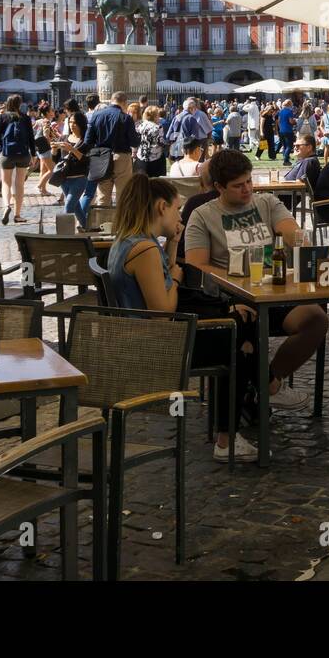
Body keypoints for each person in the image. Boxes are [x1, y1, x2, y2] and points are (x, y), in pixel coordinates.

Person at [107, 173, 257, 462]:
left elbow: (157, 277)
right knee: (241, 336)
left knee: (241, 326)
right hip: (159, 345)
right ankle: (228, 435)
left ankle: (256, 396)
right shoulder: (145, 249)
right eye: (177, 208)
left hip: (139, 336)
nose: (179, 214)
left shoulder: (130, 242)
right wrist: (175, 278)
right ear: (162, 207)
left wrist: (173, 244)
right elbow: (163, 312)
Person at [183, 150, 327, 411]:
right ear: (218, 187)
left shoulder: (267, 203)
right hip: (230, 298)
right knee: (247, 321)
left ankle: (266, 382)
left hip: (272, 292)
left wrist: (298, 240)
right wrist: (233, 279)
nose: (247, 189)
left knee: (316, 319)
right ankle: (264, 386)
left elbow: (291, 231)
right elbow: (196, 265)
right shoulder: (203, 215)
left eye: (249, 181)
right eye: (238, 186)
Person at [83, 90, 139, 207]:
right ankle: (121, 223)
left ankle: (102, 223)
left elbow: (88, 140)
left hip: (102, 156)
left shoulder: (96, 115)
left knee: (103, 195)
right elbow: (134, 142)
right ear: (124, 103)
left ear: (111, 100)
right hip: (121, 156)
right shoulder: (126, 118)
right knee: (123, 194)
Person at [0, 94, 34, 224]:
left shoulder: (3, 117)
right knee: (19, 184)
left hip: (7, 153)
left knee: (6, 183)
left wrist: (2, 144)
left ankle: (6, 206)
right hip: (23, 153)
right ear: (20, 104)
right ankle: (17, 214)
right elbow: (31, 138)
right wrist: (33, 154)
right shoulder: (25, 118)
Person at [51, 110, 96, 229]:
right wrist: (54, 150)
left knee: (69, 206)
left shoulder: (87, 140)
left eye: (75, 122)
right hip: (64, 178)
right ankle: (86, 227)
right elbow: (56, 159)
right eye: (70, 122)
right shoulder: (64, 137)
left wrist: (72, 149)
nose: (72, 125)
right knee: (76, 207)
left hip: (80, 178)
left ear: (81, 123)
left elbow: (87, 160)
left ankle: (64, 234)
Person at [276, 99, 297, 165]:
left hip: (281, 130)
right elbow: (291, 121)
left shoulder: (280, 111)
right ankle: (286, 160)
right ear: (289, 104)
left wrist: (280, 128)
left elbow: (278, 121)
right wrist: (295, 122)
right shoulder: (289, 111)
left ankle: (285, 159)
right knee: (289, 146)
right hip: (288, 130)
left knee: (284, 146)